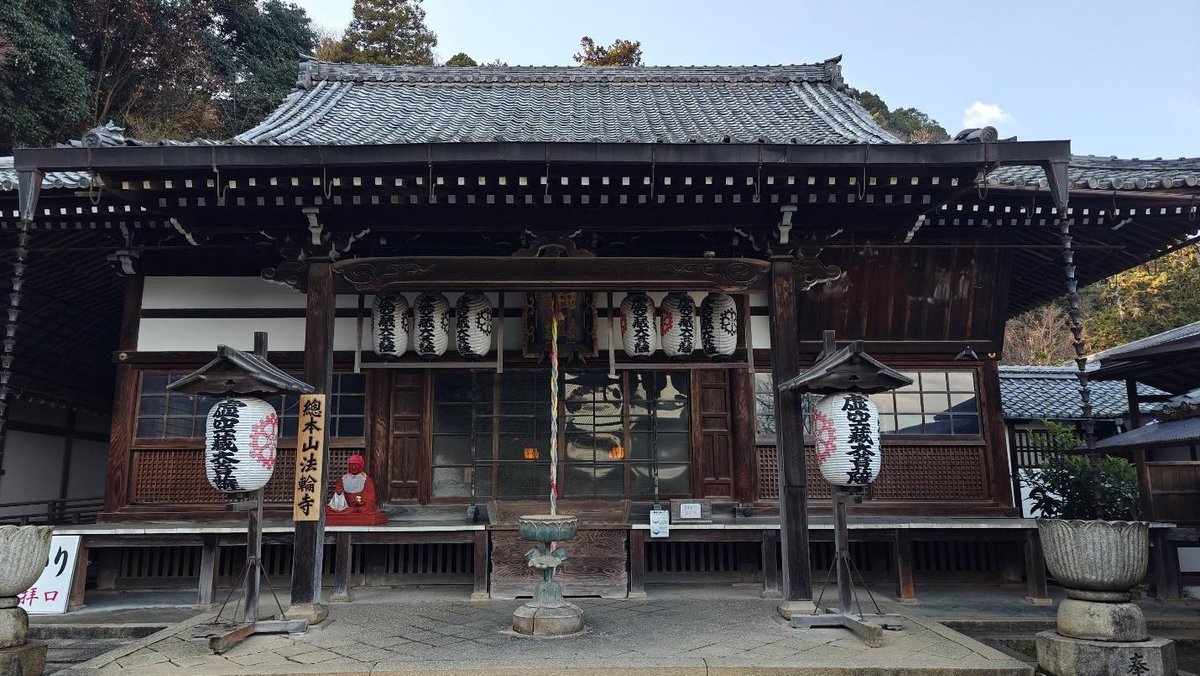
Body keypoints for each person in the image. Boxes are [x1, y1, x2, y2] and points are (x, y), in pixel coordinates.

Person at [326, 453, 387, 525]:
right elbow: (338, 498)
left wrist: (360, 501)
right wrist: (339, 494)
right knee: (330, 509)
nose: (353, 467)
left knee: (368, 509)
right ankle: (351, 510)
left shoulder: (366, 480)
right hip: (347, 506)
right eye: (351, 465)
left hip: (361, 506)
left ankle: (353, 510)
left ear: (361, 466)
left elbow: (370, 498)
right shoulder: (343, 479)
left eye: (356, 465)